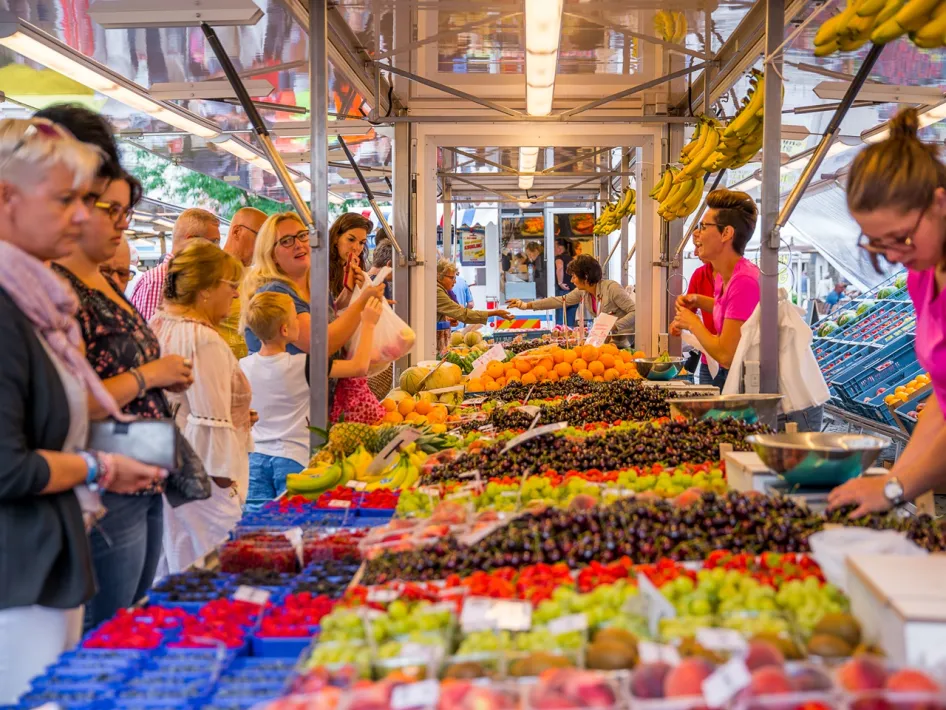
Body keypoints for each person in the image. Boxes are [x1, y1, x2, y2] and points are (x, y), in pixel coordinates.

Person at [0, 117, 166, 703]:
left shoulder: (39, 304)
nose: (82, 216)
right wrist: (101, 468)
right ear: (6, 198)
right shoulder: (10, 311)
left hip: (45, 561)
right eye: (67, 199)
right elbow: (8, 467)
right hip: (18, 573)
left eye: (88, 201)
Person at [46, 110, 192, 630]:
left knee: (127, 616)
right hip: (104, 478)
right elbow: (64, 399)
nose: (115, 222)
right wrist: (150, 376)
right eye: (109, 209)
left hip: (140, 471)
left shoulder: (101, 280)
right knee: (106, 628)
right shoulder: (55, 288)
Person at [828, 108, 946, 517]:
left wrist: (896, 487)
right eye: (878, 245)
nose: (895, 255)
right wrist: (893, 480)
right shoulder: (922, 277)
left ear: (939, 203)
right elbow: (942, 398)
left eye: (900, 238)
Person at [150, 240, 252, 574]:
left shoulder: (159, 325)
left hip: (172, 475)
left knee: (178, 570)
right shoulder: (203, 339)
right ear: (206, 290)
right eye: (231, 286)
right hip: (204, 484)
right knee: (216, 570)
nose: (235, 296)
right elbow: (209, 421)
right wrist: (227, 491)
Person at [241, 292, 384, 504]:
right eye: (296, 316)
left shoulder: (242, 366)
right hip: (293, 459)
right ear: (285, 330)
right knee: (295, 519)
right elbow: (359, 366)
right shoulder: (303, 365)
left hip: (254, 458)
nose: (302, 319)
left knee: (256, 525)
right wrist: (369, 324)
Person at [241, 212, 384, 357]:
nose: (298, 244)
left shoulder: (315, 283)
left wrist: (350, 291)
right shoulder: (275, 292)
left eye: (302, 236)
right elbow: (320, 344)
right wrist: (362, 303)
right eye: (286, 241)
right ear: (271, 254)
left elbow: (330, 314)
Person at [670, 190, 759, 389]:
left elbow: (726, 355)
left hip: (751, 385)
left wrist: (693, 323)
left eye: (703, 226)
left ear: (726, 233)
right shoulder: (725, 277)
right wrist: (699, 301)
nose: (697, 234)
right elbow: (733, 310)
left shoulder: (744, 281)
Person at [509, 254, 635, 347]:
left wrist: (615, 326)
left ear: (585, 276)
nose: (571, 280)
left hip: (625, 342)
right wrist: (525, 305)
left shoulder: (611, 288)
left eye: (574, 276)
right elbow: (560, 301)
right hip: (607, 343)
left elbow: (636, 312)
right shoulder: (584, 291)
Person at [130, 208, 221, 321]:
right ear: (191, 241)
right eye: (214, 242)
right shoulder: (159, 280)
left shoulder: (186, 278)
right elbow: (151, 336)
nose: (218, 249)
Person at [218, 207, 268, 360]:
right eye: (260, 238)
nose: (264, 246)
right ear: (237, 232)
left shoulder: (257, 277)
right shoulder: (211, 273)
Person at [437, 258, 512, 351]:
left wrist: (446, 320)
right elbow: (464, 314)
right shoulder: (437, 291)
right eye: (452, 278)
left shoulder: (442, 290)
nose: (455, 281)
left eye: (455, 277)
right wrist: (495, 313)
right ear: (440, 275)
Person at [683, 240, 717, 384]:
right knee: (707, 405)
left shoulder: (741, 277)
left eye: (699, 245)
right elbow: (687, 311)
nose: (696, 252)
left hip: (736, 362)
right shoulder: (700, 275)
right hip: (708, 359)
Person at [330, 213, 372, 311]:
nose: (356, 248)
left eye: (362, 243)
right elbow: (328, 314)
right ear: (336, 238)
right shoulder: (318, 270)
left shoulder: (359, 272)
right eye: (351, 239)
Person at [554, 239, 578, 326]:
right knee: (570, 320)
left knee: (560, 320)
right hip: (573, 290)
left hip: (563, 291)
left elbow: (559, 267)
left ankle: (560, 337)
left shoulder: (559, 258)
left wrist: (560, 283)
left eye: (554, 247)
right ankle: (571, 336)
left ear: (560, 248)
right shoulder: (571, 258)